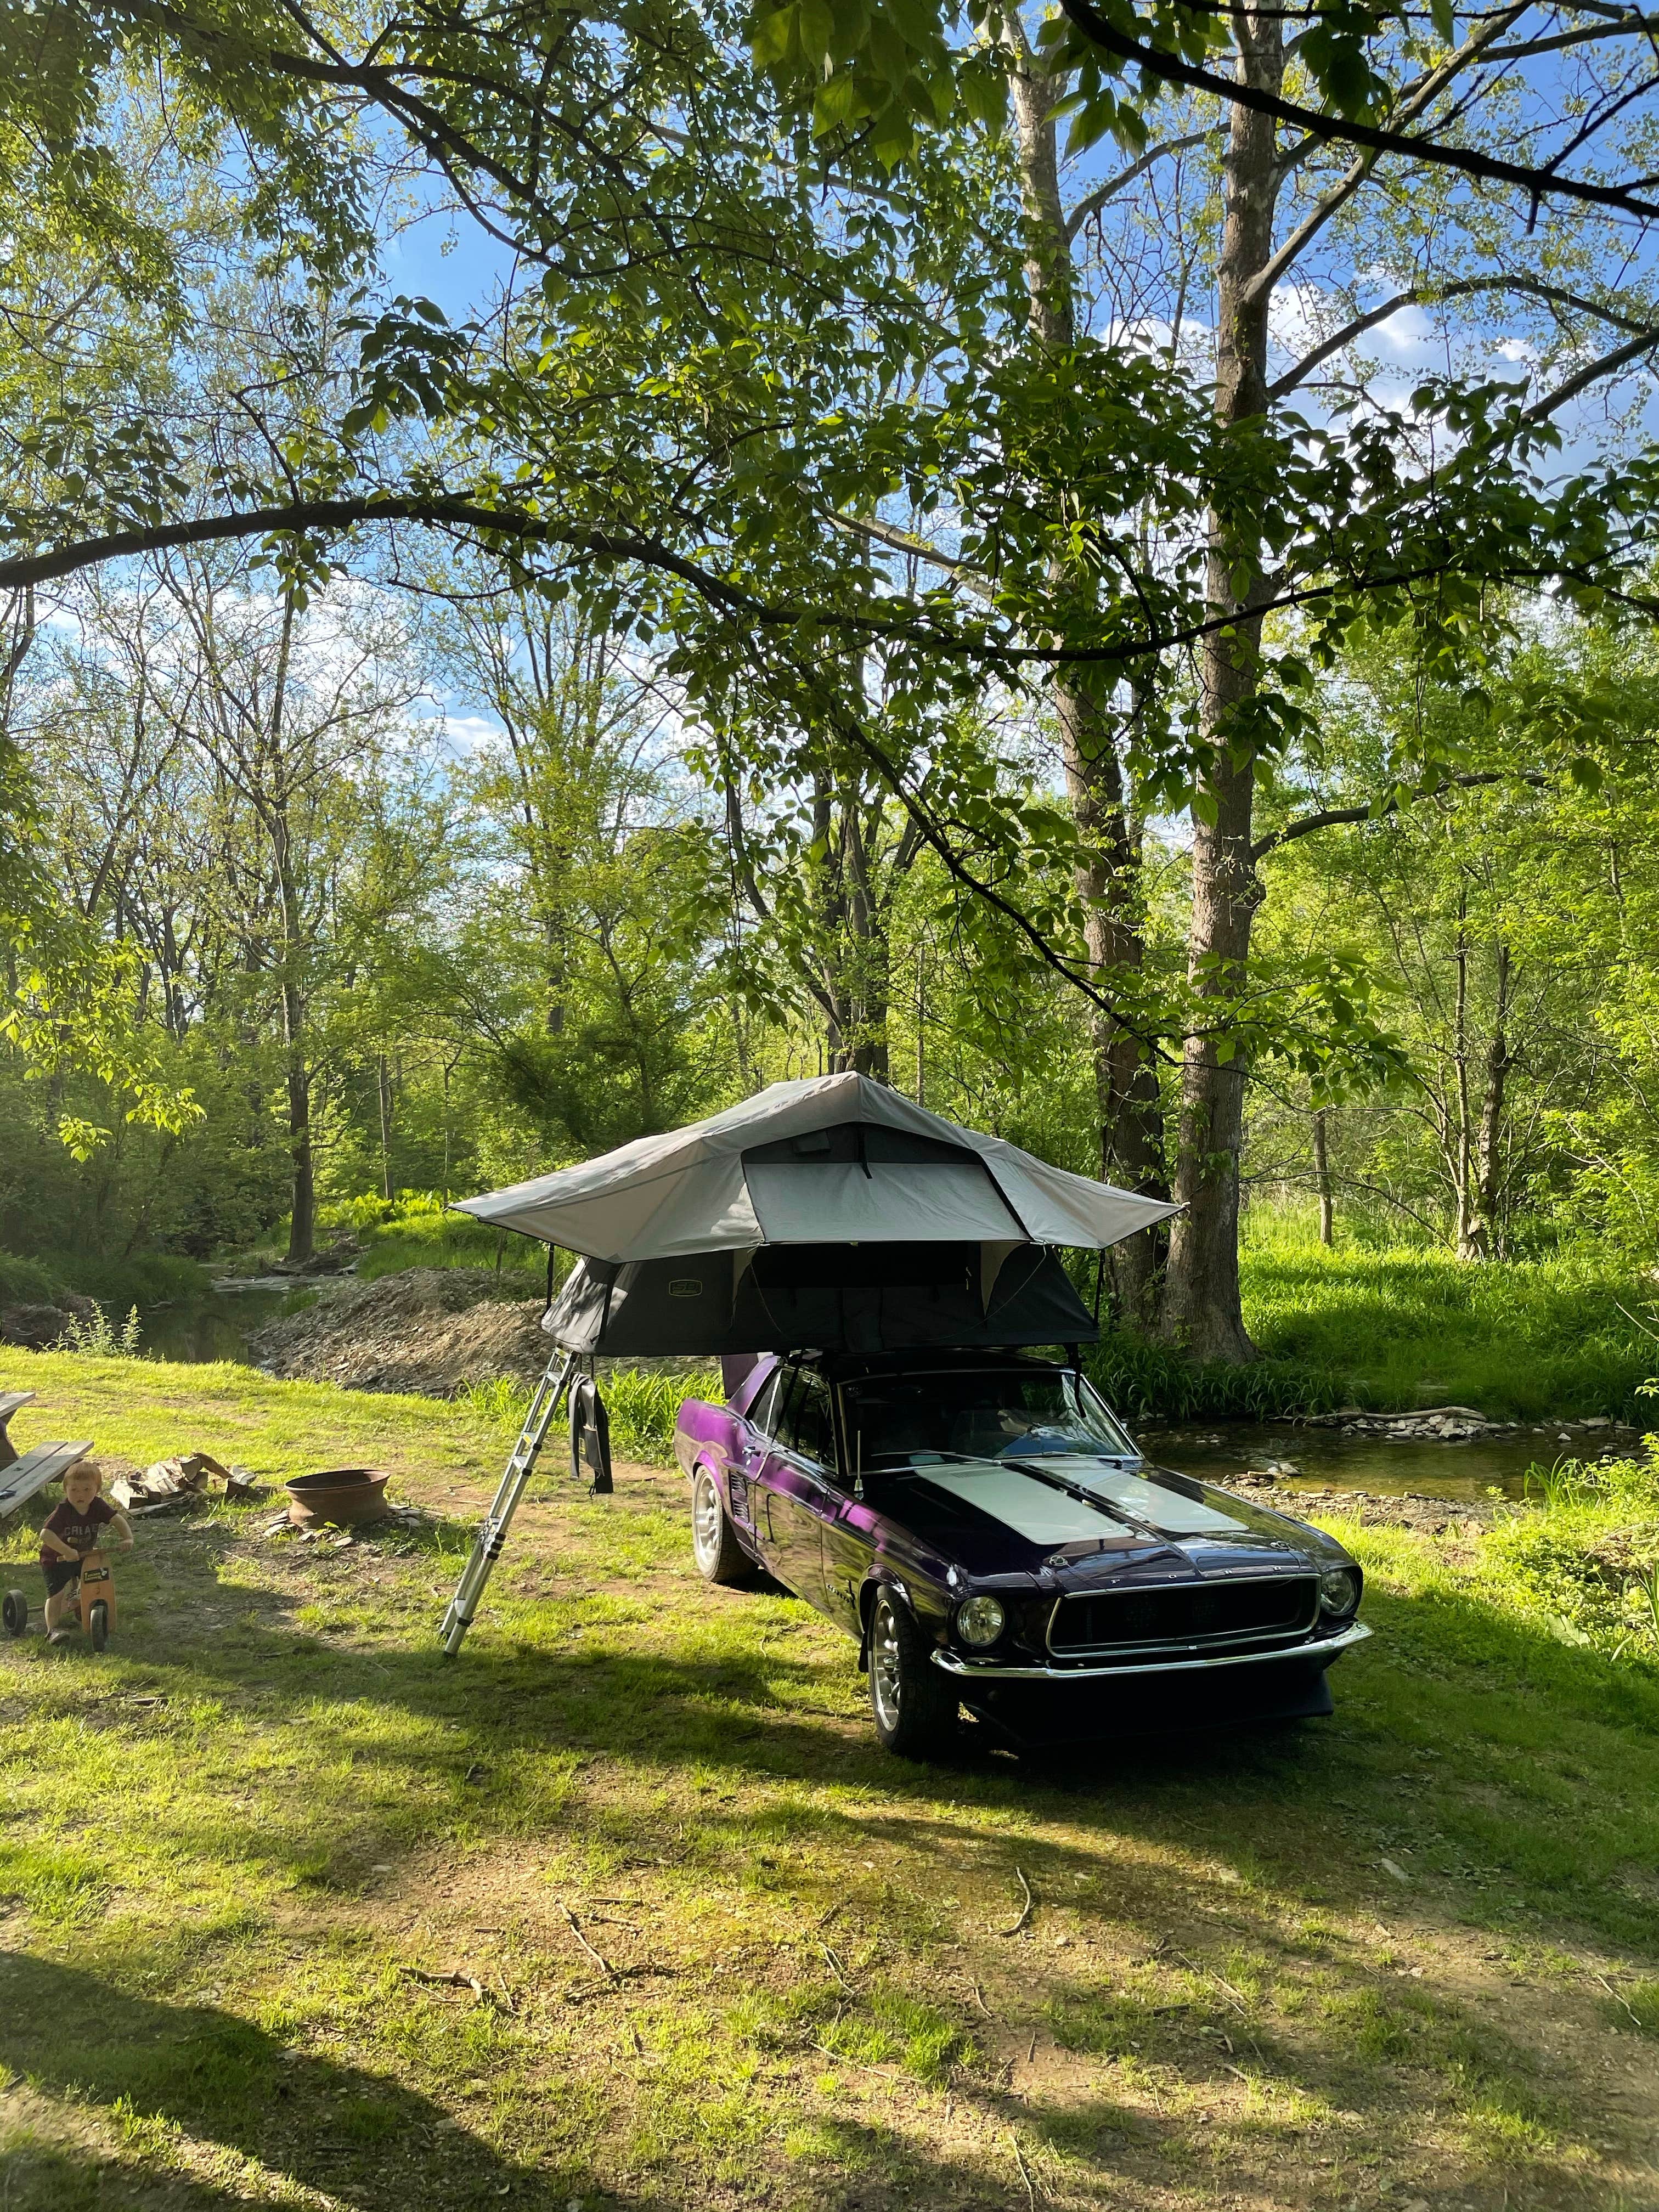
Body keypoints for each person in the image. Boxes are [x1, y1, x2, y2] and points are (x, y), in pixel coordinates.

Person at [40, 1458, 132, 1643]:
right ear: (66, 1490)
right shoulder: (63, 1510)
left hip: (84, 1555)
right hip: (56, 1559)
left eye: (87, 1490)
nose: (80, 1495)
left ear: (97, 1490)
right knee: (56, 1594)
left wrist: (127, 1538)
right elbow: (46, 1534)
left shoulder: (98, 1506)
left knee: (94, 1582)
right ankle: (52, 1630)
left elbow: (117, 1520)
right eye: (74, 1490)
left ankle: (80, 1603)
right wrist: (66, 1551)